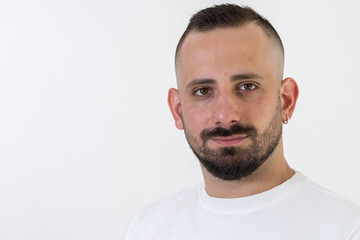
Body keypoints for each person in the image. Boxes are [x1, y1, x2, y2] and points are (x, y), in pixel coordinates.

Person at [123, 4, 360, 239]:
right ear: (177, 110)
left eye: (247, 86)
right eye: (203, 91)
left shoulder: (347, 229)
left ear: (286, 100)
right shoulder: (147, 229)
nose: (225, 116)